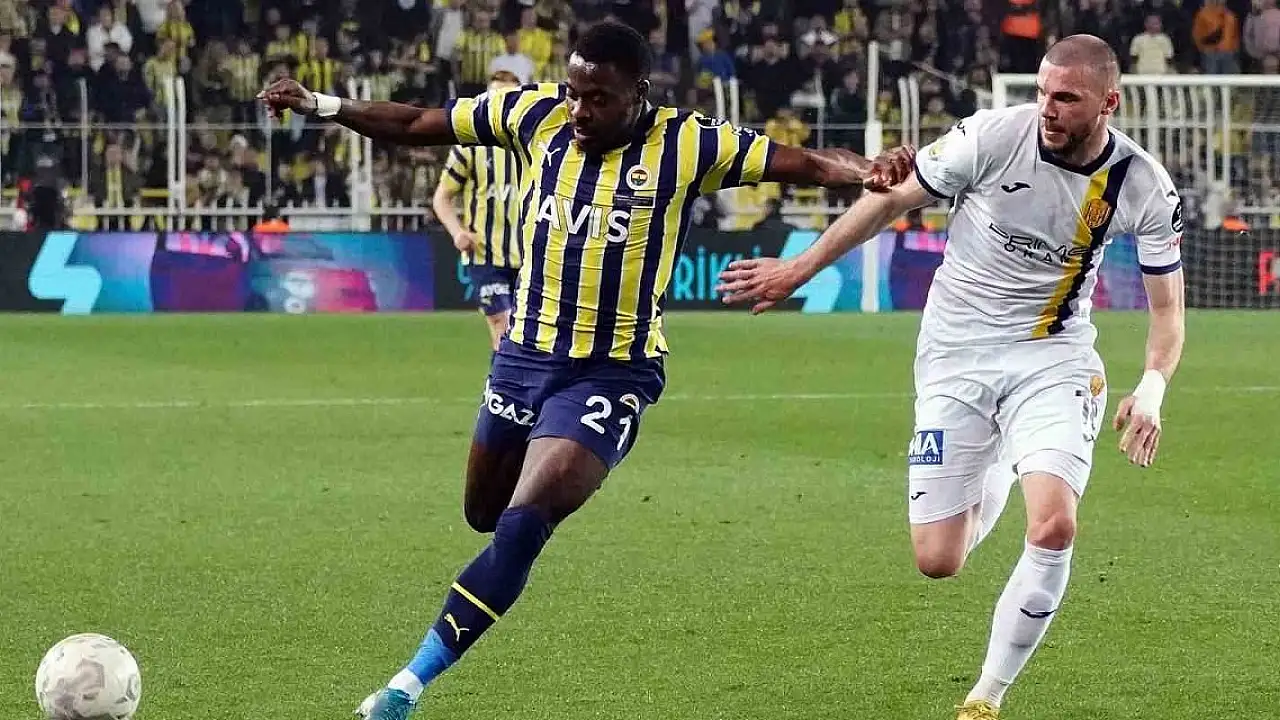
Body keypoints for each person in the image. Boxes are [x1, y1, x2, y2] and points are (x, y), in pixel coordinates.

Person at [258, 19, 915, 720]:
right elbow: (419, 123)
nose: (579, 110)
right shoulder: (533, 114)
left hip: (612, 373)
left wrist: (868, 171)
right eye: (574, 93)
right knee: (483, 513)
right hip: (522, 359)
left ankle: (403, 689)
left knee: (522, 524)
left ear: (639, 94)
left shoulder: (688, 143)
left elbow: (809, 161)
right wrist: (320, 104)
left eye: (599, 98)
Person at [717, 34, 1185, 720]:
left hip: (1052, 355)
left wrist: (1152, 387)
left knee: (1054, 526)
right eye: (1042, 92)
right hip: (956, 353)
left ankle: (985, 699)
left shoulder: (1142, 184)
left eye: (1066, 97)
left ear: (1108, 103)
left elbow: (1168, 309)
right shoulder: (992, 136)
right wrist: (797, 269)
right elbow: (888, 201)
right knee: (939, 559)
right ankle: (1000, 458)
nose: (1048, 108)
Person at [432, 71, 527, 351]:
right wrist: (457, 232)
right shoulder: (470, 147)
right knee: (503, 325)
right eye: (494, 96)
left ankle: (504, 378)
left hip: (531, 258)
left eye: (509, 97)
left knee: (526, 336)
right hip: (486, 255)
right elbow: (442, 197)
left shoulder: (537, 145)